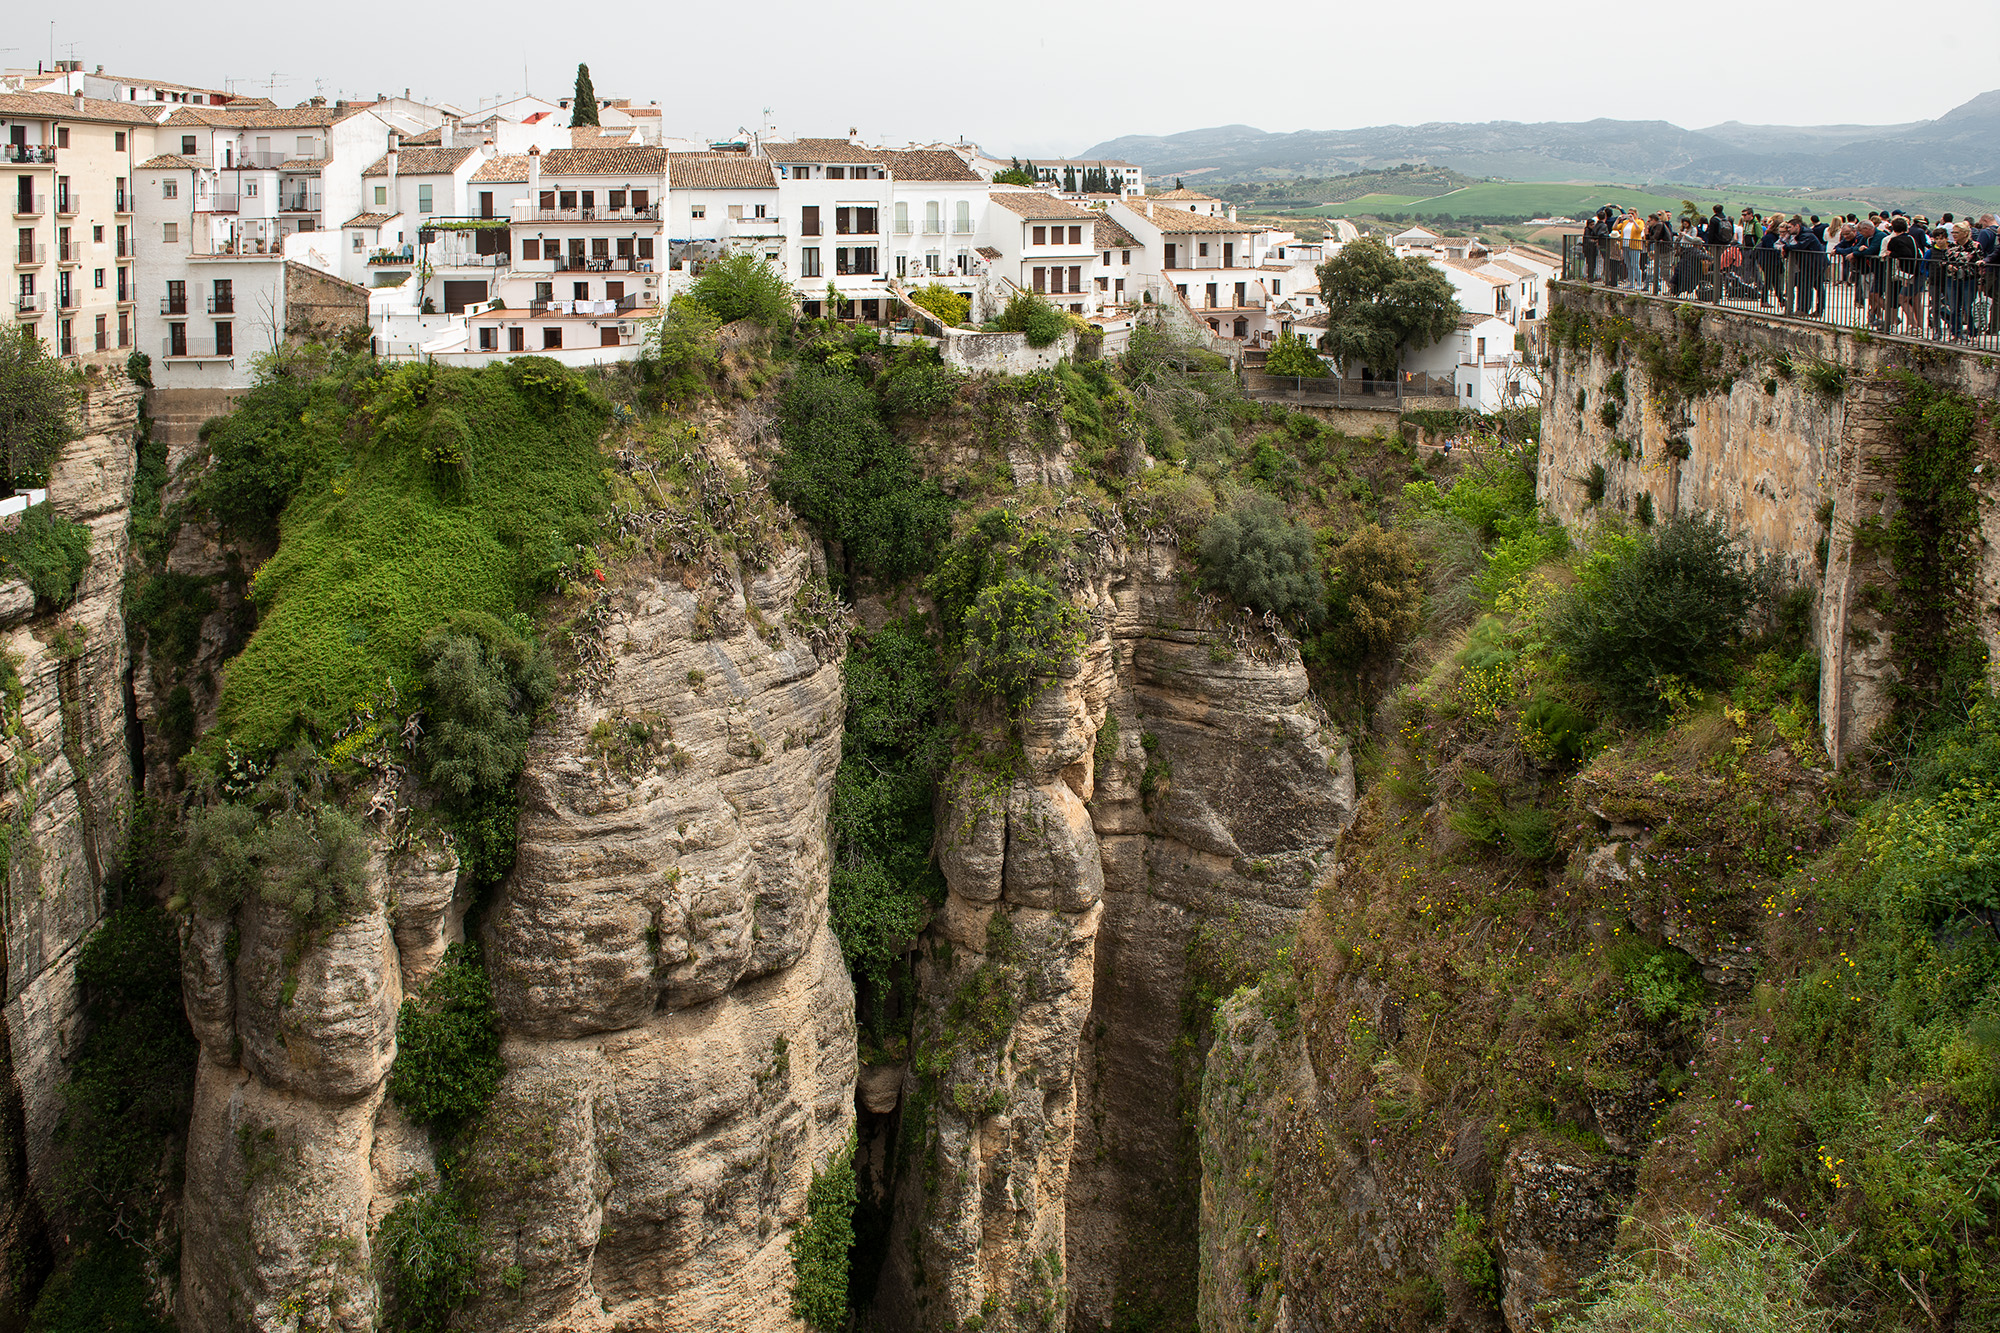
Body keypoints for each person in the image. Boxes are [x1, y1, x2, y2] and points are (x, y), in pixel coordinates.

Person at [1617, 207, 1646, 290]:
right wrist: (1618, 219)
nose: (1630, 215)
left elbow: (1639, 230)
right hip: (1625, 245)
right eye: (1629, 213)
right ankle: (1631, 282)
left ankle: (1639, 283)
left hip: (1634, 245)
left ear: (1636, 214)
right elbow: (1615, 227)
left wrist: (1633, 220)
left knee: (1635, 265)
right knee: (1628, 265)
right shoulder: (1625, 222)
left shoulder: (1639, 222)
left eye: (1632, 213)